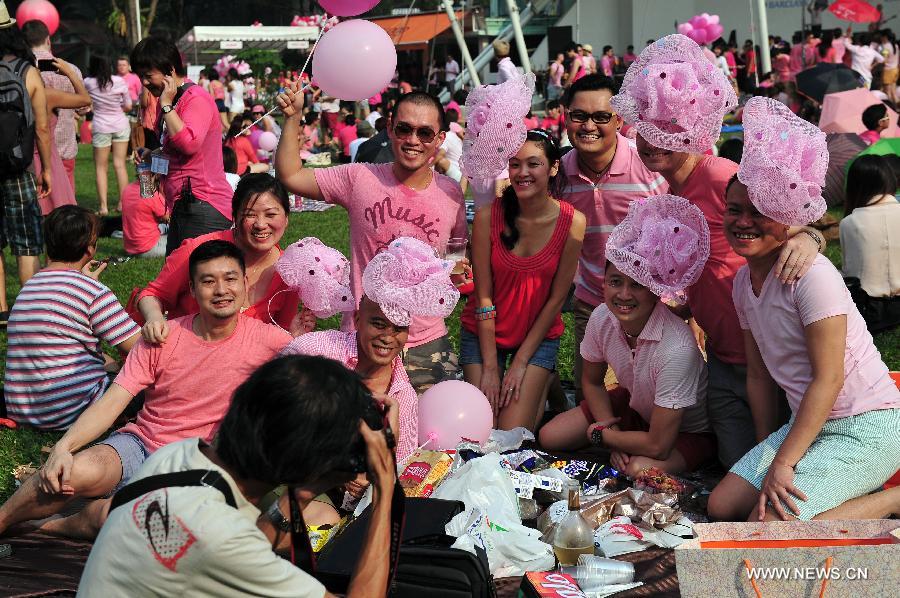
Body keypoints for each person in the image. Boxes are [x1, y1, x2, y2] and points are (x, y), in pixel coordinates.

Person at [611, 35, 825, 468]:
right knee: (738, 469)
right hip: (726, 364)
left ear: (691, 128)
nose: (651, 141)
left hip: (772, 359)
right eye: (646, 129)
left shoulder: (721, 175)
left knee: (785, 474)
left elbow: (793, 213)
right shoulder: (670, 190)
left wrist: (810, 239)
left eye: (666, 128)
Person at [0, 240, 294, 539]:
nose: (221, 290)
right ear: (192, 289)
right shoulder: (164, 336)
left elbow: (316, 383)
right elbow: (114, 400)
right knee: (71, 472)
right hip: (141, 445)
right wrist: (63, 448)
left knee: (113, 516)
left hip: (195, 464)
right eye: (208, 281)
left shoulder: (270, 342)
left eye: (230, 279)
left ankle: (48, 527)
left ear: (244, 283)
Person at [708, 97, 900, 522]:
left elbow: (829, 379)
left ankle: (892, 500)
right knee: (722, 506)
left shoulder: (812, 276)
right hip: (807, 423)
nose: (743, 222)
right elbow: (758, 375)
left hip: (866, 426)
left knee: (774, 527)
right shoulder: (743, 282)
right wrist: (766, 453)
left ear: (788, 216)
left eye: (760, 212)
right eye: (735, 210)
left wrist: (783, 463)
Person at [78, 355, 398, 597]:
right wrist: (385, 486)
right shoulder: (220, 538)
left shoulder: (178, 456)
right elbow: (232, 545)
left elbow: (250, 542)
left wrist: (308, 487)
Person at [275, 86, 467, 393]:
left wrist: (457, 272)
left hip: (426, 342)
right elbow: (291, 175)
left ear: (440, 138)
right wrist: (293, 117)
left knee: (433, 437)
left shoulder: (451, 193)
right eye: (404, 129)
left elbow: (456, 261)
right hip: (364, 340)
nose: (413, 140)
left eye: (425, 133)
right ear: (390, 128)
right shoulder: (360, 178)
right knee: (360, 434)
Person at [539, 195, 716, 476]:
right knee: (550, 436)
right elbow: (592, 381)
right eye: (615, 282)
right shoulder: (601, 317)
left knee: (639, 467)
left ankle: (637, 447)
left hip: (686, 430)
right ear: (604, 283)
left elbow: (659, 445)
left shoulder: (677, 347)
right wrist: (611, 428)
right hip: (635, 409)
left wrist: (605, 436)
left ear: (655, 291)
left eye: (637, 285)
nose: (623, 295)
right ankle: (628, 440)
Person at [283, 236, 459, 463]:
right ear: (357, 319)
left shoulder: (402, 396)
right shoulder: (313, 351)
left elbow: (399, 465)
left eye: (398, 328)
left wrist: (369, 479)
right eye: (378, 324)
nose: (387, 337)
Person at [460, 130, 585, 431]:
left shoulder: (573, 223)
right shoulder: (487, 217)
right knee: (482, 430)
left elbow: (556, 299)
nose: (522, 173)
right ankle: (539, 382)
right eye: (514, 165)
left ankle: (543, 377)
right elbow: (484, 296)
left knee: (509, 433)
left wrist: (519, 364)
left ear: (554, 167)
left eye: (533, 164)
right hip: (485, 333)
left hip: (537, 334)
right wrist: (491, 368)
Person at [559, 74, 668, 404]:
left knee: (655, 398)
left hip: (654, 305)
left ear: (619, 119)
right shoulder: (559, 173)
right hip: (592, 303)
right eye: (579, 116)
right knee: (589, 399)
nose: (588, 125)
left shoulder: (649, 167)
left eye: (601, 116)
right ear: (566, 117)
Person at [4, 206, 139, 429]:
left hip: (24, 410)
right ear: (90, 248)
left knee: (101, 357)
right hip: (74, 411)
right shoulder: (91, 292)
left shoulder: (29, 288)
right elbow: (139, 345)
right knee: (145, 384)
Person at [137, 174, 302, 337]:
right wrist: (154, 318)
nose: (260, 224)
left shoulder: (289, 273)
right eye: (250, 215)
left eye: (271, 215)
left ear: (286, 218)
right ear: (235, 217)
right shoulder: (198, 250)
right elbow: (152, 294)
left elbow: (283, 331)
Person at [130, 37, 233, 254]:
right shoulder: (168, 101)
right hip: (181, 206)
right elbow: (173, 155)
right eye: (141, 77)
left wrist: (167, 107)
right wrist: (152, 157)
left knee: (198, 279)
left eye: (148, 76)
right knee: (179, 279)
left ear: (170, 70)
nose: (145, 83)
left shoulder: (196, 99)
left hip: (204, 204)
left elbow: (188, 145)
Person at [0, 12, 50, 325]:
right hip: (17, 167)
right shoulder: (26, 71)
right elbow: (42, 128)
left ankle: (1, 309)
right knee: (27, 239)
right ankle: (27, 310)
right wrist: (45, 169)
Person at [22, 22, 89, 215]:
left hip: (29, 151)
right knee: (65, 210)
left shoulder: (21, 72)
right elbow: (84, 106)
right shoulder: (70, 70)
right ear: (48, 39)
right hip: (64, 145)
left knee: (35, 207)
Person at [841, 155, 900, 298]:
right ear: (890, 180)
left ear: (854, 186)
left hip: (867, 306)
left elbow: (850, 271)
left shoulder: (849, 222)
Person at [84, 56, 132, 216]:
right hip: (120, 124)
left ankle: (103, 207)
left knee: (100, 167)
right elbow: (128, 105)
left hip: (101, 126)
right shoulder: (119, 81)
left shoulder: (89, 82)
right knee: (120, 165)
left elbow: (85, 103)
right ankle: (123, 204)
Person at [120, 172, 168, 258]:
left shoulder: (128, 188)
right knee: (182, 240)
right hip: (148, 248)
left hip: (130, 248)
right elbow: (169, 218)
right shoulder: (149, 191)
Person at [878, 30, 898, 103]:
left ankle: (891, 108)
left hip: (888, 71)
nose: (880, 38)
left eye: (881, 36)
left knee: (887, 92)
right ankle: (897, 108)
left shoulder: (886, 46)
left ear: (885, 37)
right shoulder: (895, 45)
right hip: (895, 70)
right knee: (893, 91)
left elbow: (884, 59)